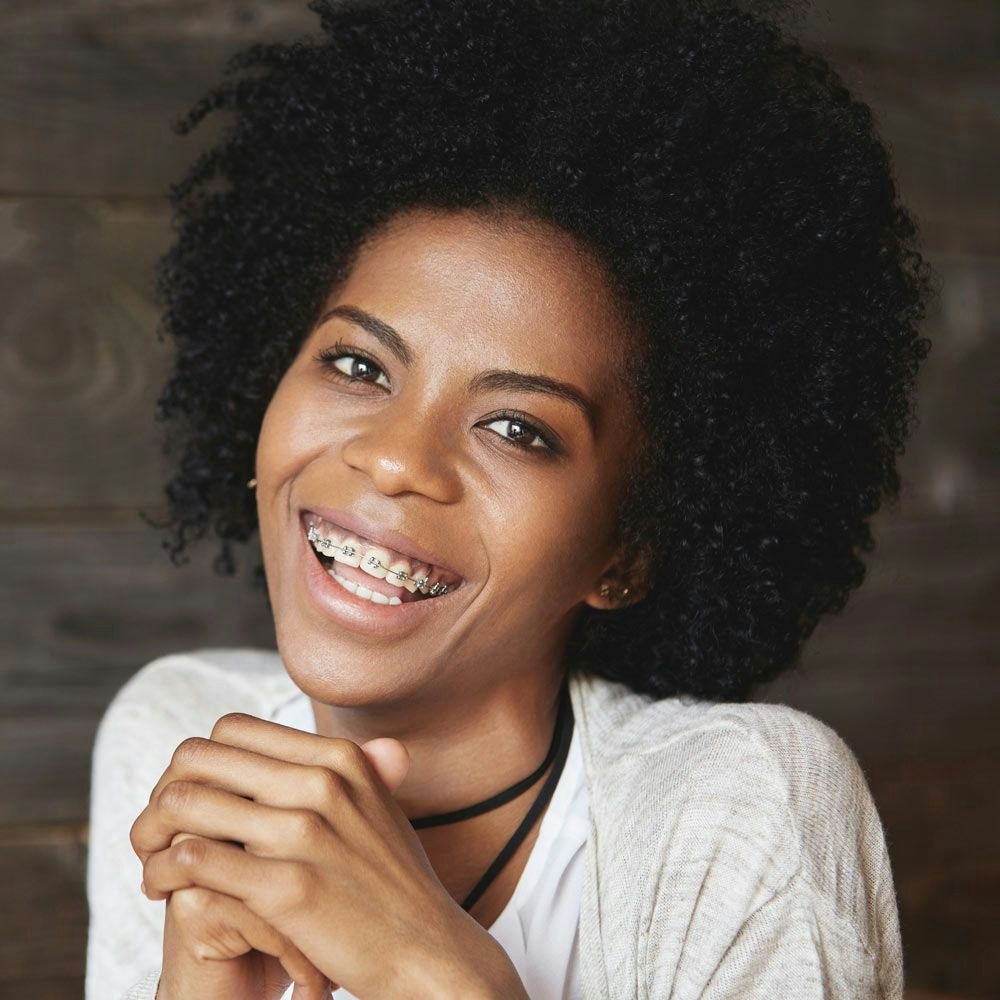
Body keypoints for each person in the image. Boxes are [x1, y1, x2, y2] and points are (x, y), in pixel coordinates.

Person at [85, 0, 933, 996]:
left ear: (626, 550)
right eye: (357, 364)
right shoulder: (180, 733)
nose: (398, 458)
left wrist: (438, 975)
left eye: (518, 429)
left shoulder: (744, 808)